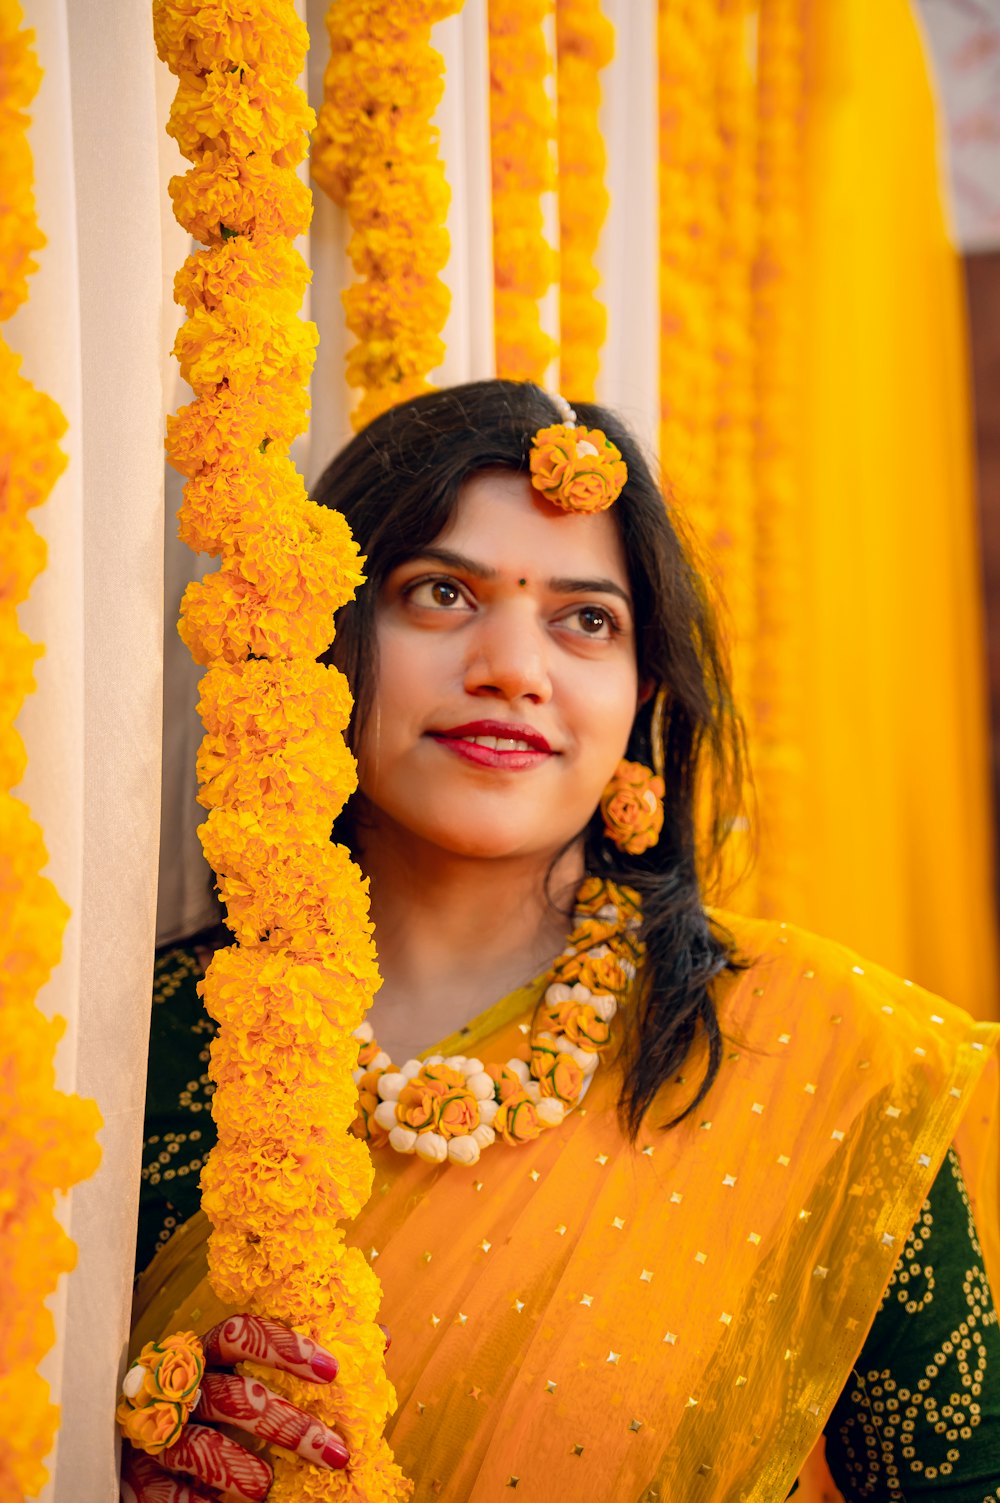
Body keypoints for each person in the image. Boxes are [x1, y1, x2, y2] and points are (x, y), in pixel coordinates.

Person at [124, 381, 1000, 1502]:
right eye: (441, 593)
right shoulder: (137, 1046)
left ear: (641, 695)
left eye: (585, 619)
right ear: (323, 640)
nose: (513, 669)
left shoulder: (825, 1055)